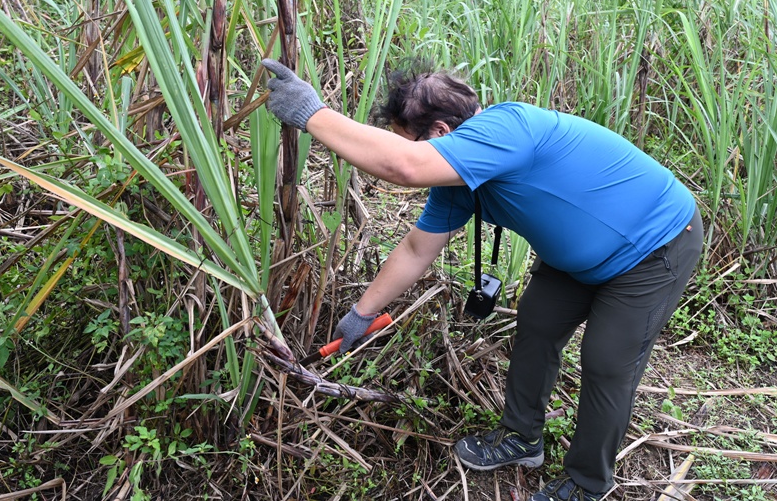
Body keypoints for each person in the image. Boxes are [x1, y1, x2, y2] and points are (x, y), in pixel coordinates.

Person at [262, 59, 704, 501]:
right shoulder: (457, 182)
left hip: (654, 245)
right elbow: (417, 250)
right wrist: (363, 313)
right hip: (577, 261)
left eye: (410, 140)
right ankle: (522, 438)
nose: (413, 153)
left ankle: (588, 483)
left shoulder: (507, 130)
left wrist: (312, 114)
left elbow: (405, 167)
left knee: (607, 360)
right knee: (537, 324)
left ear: (439, 132)